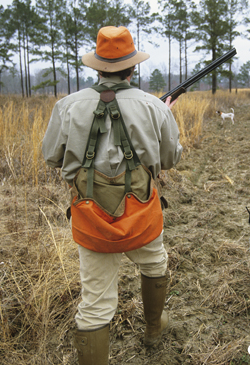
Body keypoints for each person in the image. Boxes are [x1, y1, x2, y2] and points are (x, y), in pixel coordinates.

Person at [42, 26, 183, 365]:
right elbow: (170, 159)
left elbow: (51, 156)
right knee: (155, 264)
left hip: (90, 217)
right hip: (142, 212)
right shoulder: (153, 107)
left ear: (97, 67)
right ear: (132, 67)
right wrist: (162, 115)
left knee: (94, 304)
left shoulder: (67, 106)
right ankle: (153, 329)